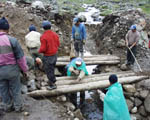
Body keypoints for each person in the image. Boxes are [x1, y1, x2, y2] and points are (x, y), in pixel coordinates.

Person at [0, 17, 28, 112]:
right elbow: (20, 58)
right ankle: (18, 107)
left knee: (3, 89)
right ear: (7, 28)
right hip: (12, 69)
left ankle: (7, 106)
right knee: (15, 89)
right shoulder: (12, 40)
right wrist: (24, 70)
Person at [38, 20, 60, 90]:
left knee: (48, 70)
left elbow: (43, 49)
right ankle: (52, 80)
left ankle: (53, 84)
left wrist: (39, 51)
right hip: (55, 54)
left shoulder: (43, 37)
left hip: (48, 56)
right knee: (52, 68)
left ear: (43, 28)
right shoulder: (55, 35)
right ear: (50, 27)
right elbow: (58, 44)